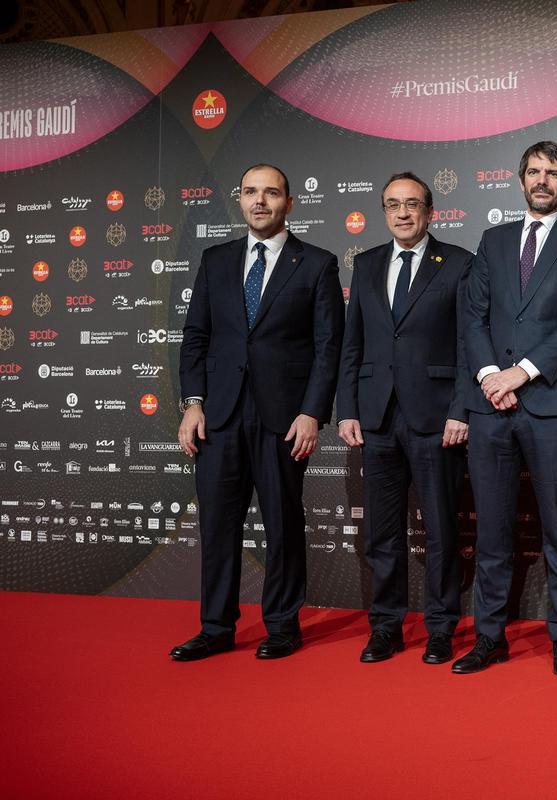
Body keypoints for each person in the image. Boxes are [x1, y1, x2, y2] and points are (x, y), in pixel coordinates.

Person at [172, 163, 344, 661]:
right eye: (251, 192)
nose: (260, 201)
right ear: (240, 199)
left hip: (283, 418)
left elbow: (328, 346)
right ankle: (216, 626)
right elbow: (196, 339)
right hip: (218, 416)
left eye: (272, 193)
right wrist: (193, 403)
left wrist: (312, 412)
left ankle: (283, 625)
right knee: (217, 527)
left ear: (290, 202)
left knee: (283, 524)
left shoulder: (317, 263)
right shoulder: (217, 259)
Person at [455, 141, 557, 677]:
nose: (543, 181)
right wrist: (490, 376)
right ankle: (489, 636)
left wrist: (523, 372)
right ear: (520, 180)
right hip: (490, 407)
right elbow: (473, 318)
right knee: (491, 532)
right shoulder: (492, 241)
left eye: (554, 174)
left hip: (551, 406)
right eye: (534, 172)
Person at [336, 172, 473, 665]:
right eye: (393, 204)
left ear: (430, 211)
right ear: (383, 212)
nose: (402, 213)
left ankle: (440, 627)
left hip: (436, 418)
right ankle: (386, 626)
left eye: (412, 204)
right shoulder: (368, 263)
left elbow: (467, 345)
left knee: (441, 529)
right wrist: (347, 408)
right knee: (381, 531)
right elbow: (352, 344)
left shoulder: (458, 263)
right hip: (375, 417)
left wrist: (461, 409)